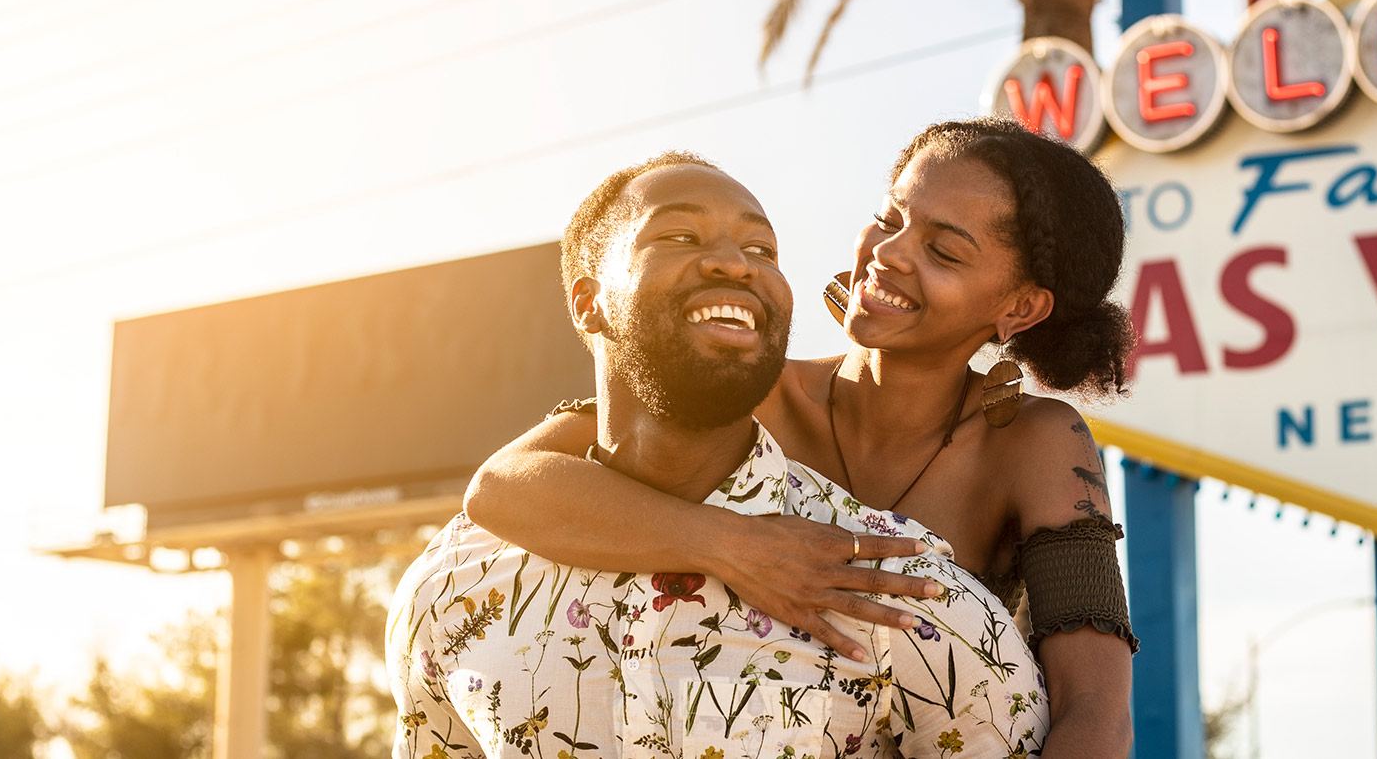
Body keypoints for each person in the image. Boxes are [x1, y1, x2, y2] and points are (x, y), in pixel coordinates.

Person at [466, 119, 1138, 758]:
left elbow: (1097, 711)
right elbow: (500, 489)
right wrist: (735, 547)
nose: (888, 252)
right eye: (890, 216)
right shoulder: (750, 389)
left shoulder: (1034, 443)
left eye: (942, 251)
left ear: (1018, 306)